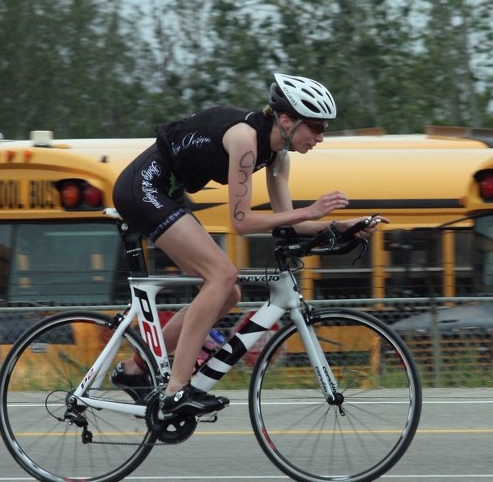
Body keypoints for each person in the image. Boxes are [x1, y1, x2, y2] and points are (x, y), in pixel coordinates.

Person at [111, 72, 387, 419]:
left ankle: (135, 370)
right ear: (286, 120)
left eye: (324, 129)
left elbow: (292, 222)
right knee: (222, 276)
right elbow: (240, 223)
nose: (319, 137)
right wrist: (312, 209)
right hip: (144, 187)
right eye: (315, 127)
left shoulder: (277, 157)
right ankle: (176, 390)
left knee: (228, 293)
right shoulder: (244, 139)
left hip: (168, 192)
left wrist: (340, 226)